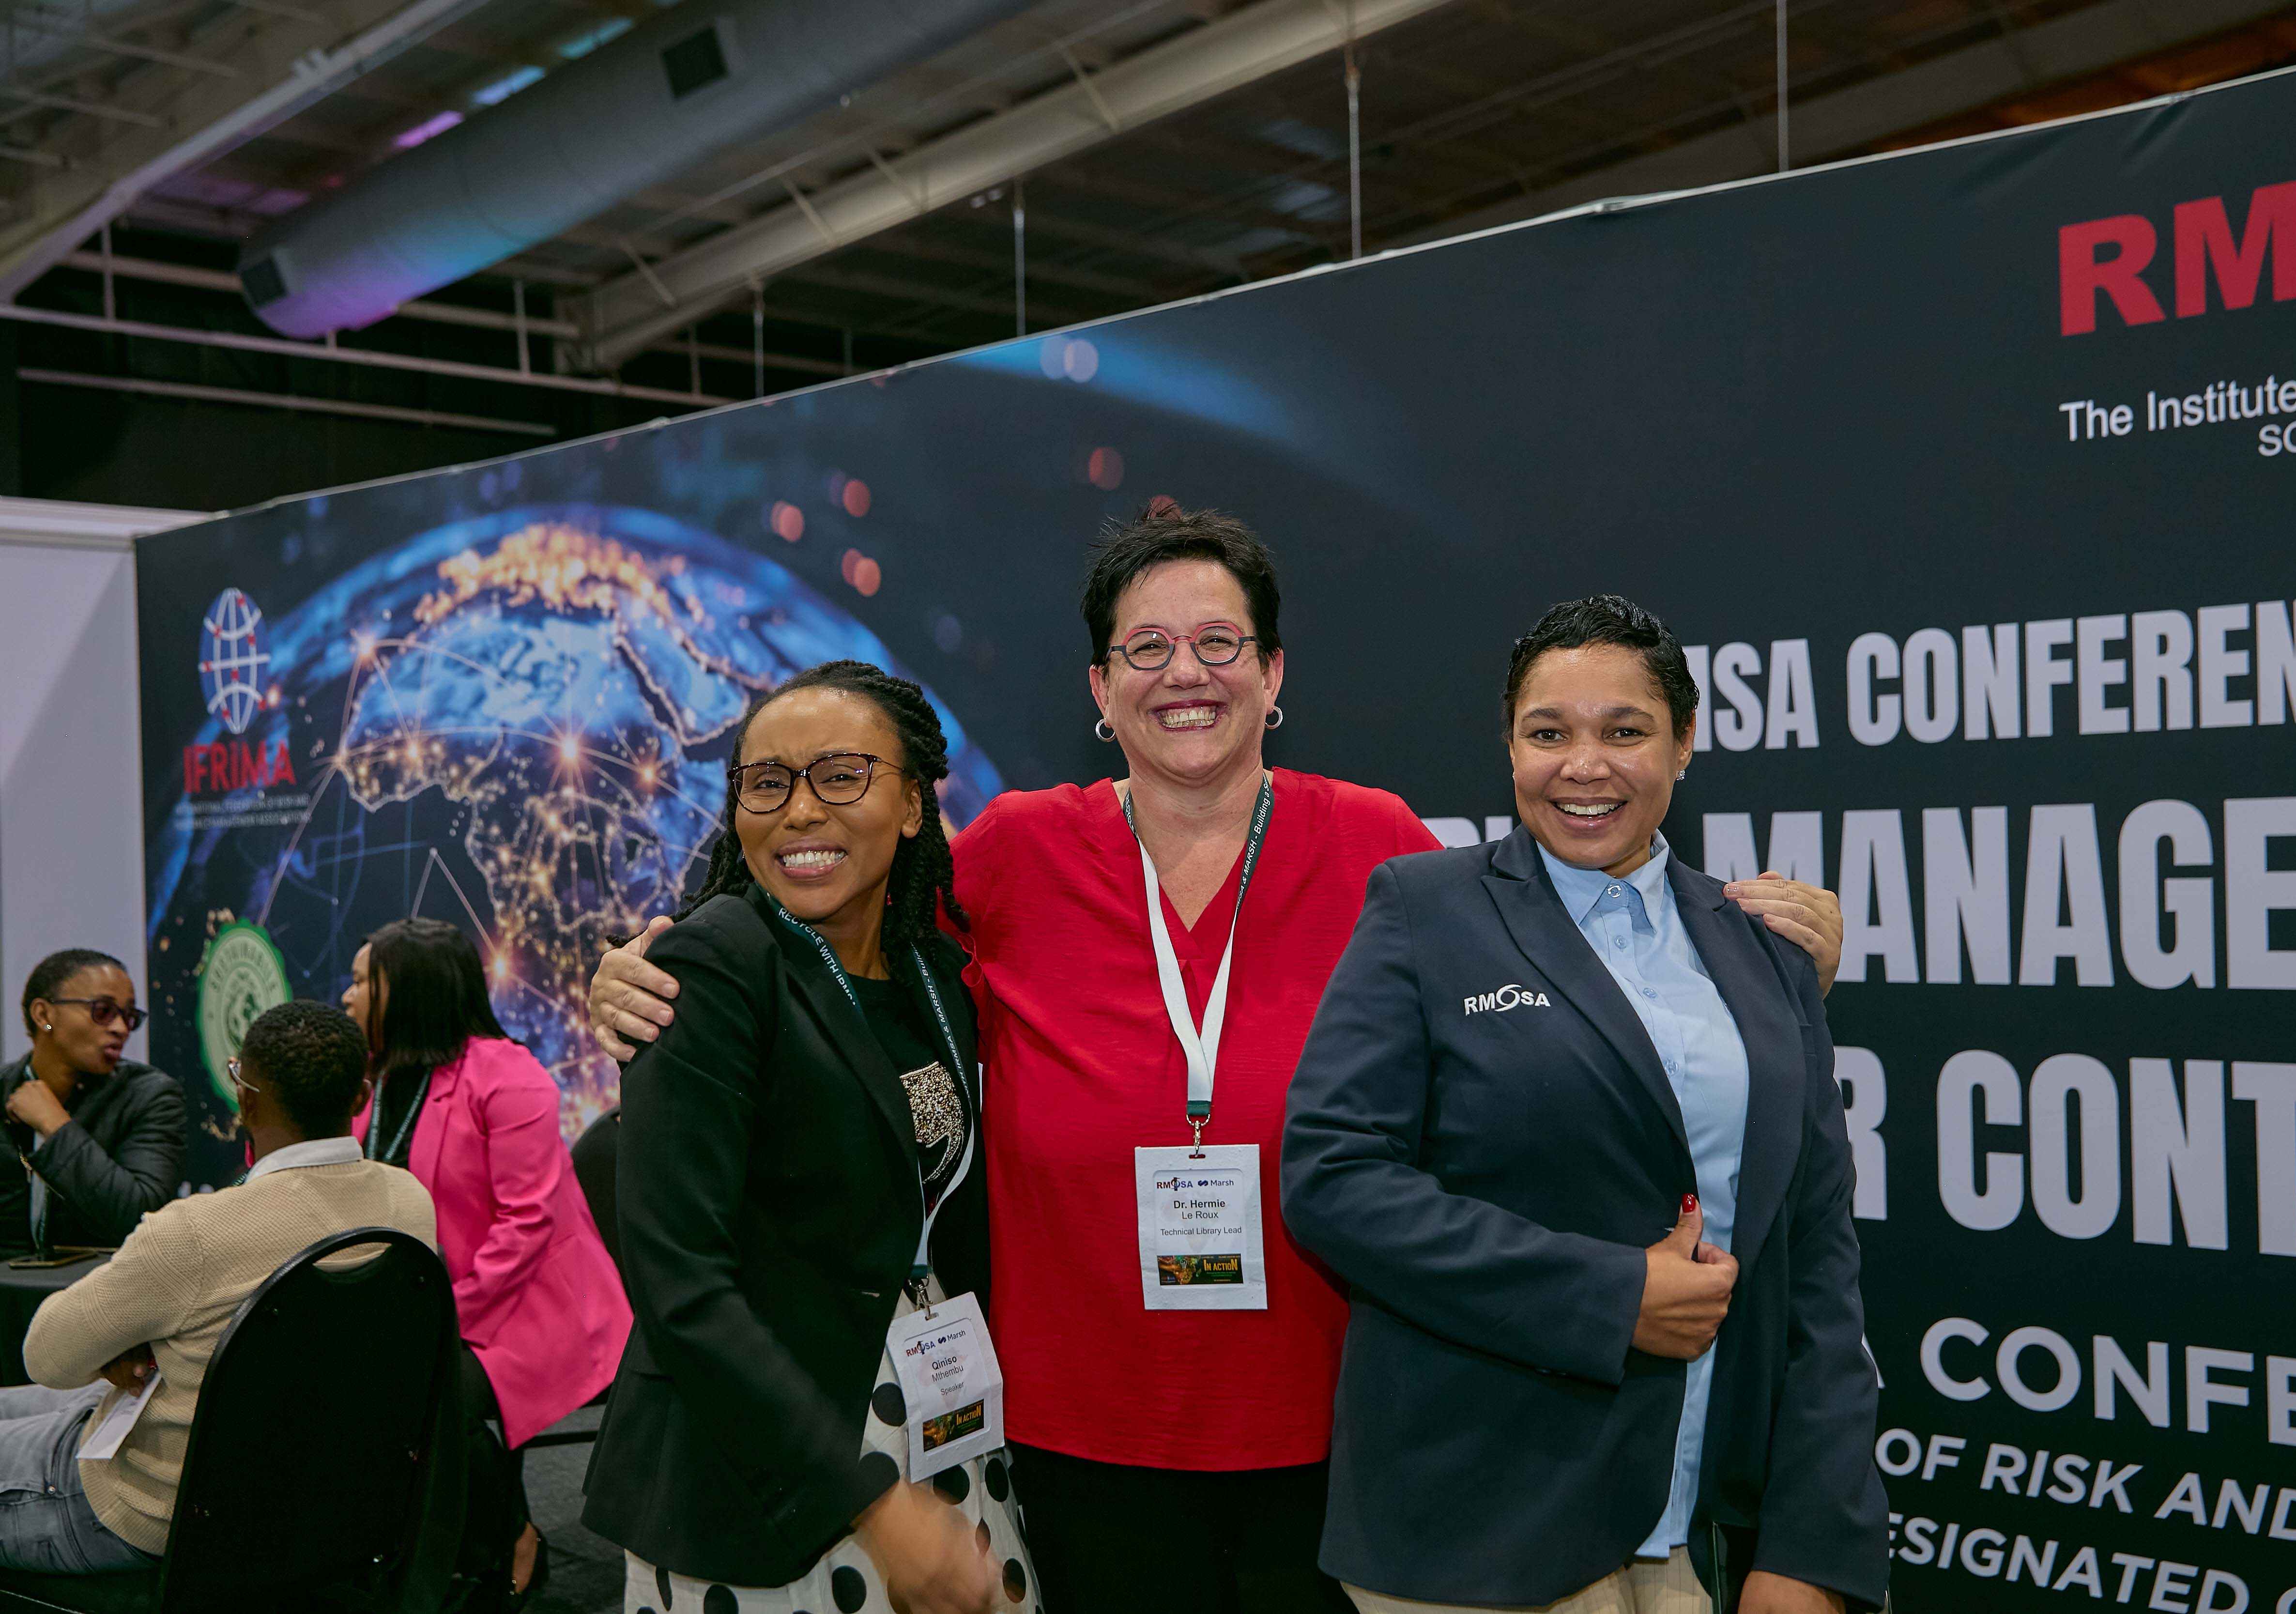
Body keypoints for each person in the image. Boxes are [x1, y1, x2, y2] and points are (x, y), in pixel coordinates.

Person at [588, 510, 1848, 1614]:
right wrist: (652, 968)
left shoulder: (1376, 843)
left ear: (1272, 671)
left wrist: (1735, 951)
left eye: (1218, 642)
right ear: (1100, 687)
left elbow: (1550, 988)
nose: (1183, 673)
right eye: (1146, 648)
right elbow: (840, 931)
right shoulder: (1016, 850)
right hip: (1075, 1441)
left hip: (1336, 1433)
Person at [1280, 595, 1887, 1614]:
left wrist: (1813, 1545)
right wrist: (1610, 1295)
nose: (1584, 766)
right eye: (1549, 733)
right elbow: (1333, 1180)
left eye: (1625, 730)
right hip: (1481, 1525)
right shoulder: (1425, 908)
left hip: (1701, 1524)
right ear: (1510, 746)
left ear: (1684, 742)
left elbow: (1819, 1259)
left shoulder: (1763, 946)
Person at [581, 661, 1020, 1614]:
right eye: (769, 782)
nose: (801, 810)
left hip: (940, 1433)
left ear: (912, 803)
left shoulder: (931, 971)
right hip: (772, 1476)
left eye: (842, 774)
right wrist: (873, 1503)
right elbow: (679, 1280)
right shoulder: (714, 963)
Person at [0, 1000, 434, 1574]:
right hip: (313, 1500)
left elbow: (46, 1356)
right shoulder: (410, 1202)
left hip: (151, 1513)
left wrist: (132, 1337)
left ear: (245, 1100)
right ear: (361, 1098)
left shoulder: (197, 1232)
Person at [342, 918, 629, 1606]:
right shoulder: (373, 1080)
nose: (346, 997)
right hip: (425, 1300)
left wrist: (439, 1317)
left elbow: (526, 1226)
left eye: (360, 982)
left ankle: (510, 1537)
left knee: (424, 1390)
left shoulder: (508, 1076)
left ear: (408, 990)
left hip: (529, 1308)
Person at [0, 950, 184, 1253]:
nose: (121, 1029)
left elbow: (140, 1221)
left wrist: (56, 1127)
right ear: (44, 1016)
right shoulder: (4, 1091)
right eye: (103, 1011)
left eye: (129, 1016)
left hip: (101, 1281)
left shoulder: (149, 1096)